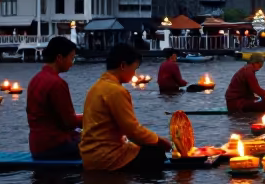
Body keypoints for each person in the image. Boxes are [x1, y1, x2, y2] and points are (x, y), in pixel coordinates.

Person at [80, 43, 172, 171]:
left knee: (140, 146)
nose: (134, 73)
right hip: (107, 157)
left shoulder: (96, 87)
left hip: (90, 155)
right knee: (155, 152)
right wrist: (159, 141)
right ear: (123, 65)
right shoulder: (116, 91)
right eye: (134, 69)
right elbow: (133, 131)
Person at [26, 36, 83, 160]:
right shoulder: (57, 83)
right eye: (71, 59)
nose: (72, 64)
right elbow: (69, 123)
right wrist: (88, 118)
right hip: (55, 146)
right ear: (59, 58)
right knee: (102, 144)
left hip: (36, 146)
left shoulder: (35, 79)